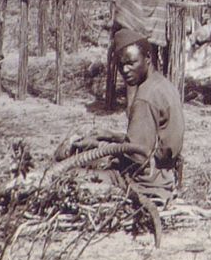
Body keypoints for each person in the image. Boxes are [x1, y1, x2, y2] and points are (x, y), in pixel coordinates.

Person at [57, 27, 185, 209]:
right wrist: (109, 135)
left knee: (69, 175)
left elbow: (137, 154)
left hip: (146, 181)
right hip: (164, 173)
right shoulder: (163, 85)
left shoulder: (144, 98)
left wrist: (99, 147)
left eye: (131, 63)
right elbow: (152, 138)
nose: (125, 70)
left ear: (148, 58)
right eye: (120, 65)